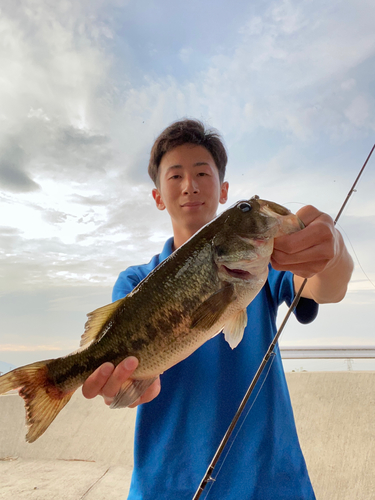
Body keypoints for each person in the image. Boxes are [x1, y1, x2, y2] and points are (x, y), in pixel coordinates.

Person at [82, 119, 353, 499]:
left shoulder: (265, 266)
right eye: (175, 175)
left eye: (201, 173)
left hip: (270, 484)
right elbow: (118, 383)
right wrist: (121, 388)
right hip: (168, 486)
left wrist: (334, 252)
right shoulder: (134, 282)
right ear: (158, 196)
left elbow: (329, 288)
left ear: (223, 189)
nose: (189, 185)